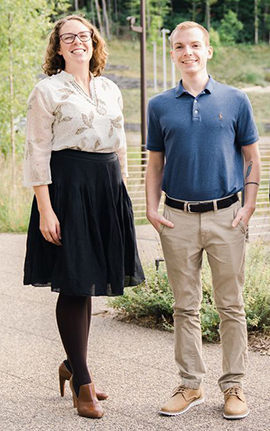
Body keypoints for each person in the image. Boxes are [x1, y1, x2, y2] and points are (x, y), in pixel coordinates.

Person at [23, 14, 144, 419]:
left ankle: (75, 365)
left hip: (107, 186)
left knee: (88, 281)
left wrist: (121, 193)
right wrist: (46, 208)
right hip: (69, 188)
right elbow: (37, 149)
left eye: (84, 35)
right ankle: (83, 382)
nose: (78, 42)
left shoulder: (110, 88)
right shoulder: (48, 90)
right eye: (68, 37)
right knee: (74, 281)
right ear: (58, 48)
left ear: (94, 43)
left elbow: (121, 142)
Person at [146, 21, 260, 420]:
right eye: (180, 46)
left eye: (195, 45)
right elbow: (155, 163)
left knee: (232, 306)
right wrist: (151, 208)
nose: (188, 52)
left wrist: (247, 208)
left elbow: (251, 158)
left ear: (208, 50)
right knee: (185, 307)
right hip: (177, 218)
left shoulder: (236, 98)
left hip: (227, 216)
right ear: (173, 53)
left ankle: (233, 386)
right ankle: (190, 384)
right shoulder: (159, 105)